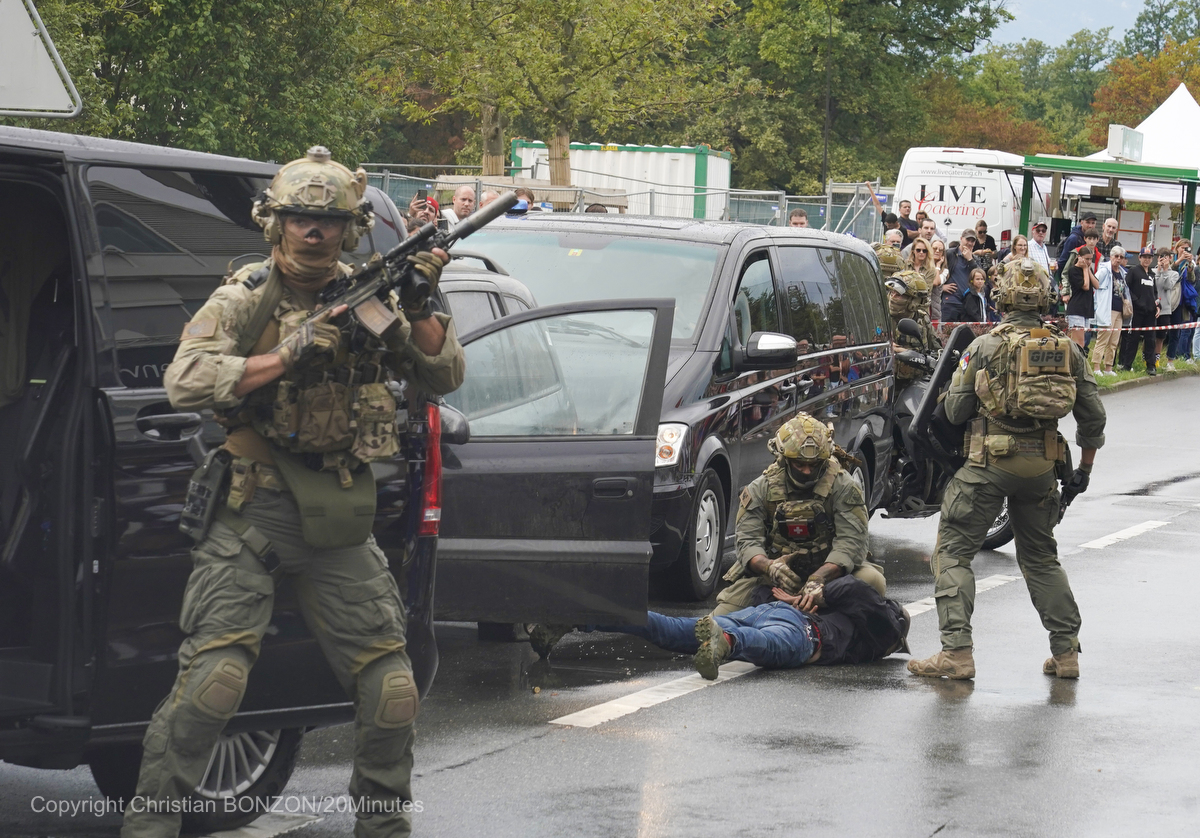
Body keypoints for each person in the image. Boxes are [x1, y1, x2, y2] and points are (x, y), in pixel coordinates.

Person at [121, 147, 466, 838]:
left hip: (338, 512)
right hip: (253, 508)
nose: (314, 232)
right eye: (301, 219)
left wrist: (422, 298)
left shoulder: (368, 295)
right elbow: (183, 380)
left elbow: (443, 373)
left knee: (391, 688)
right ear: (273, 224)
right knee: (214, 684)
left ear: (352, 227)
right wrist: (284, 355)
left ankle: (383, 827)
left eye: (329, 221)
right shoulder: (248, 294)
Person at [908, 257, 1106, 681]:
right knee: (1041, 559)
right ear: (1045, 298)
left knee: (953, 553)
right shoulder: (1067, 348)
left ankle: (957, 654)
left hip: (987, 465)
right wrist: (1083, 472)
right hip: (1041, 469)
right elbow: (1093, 417)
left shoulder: (984, 346)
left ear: (1002, 296)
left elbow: (957, 411)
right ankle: (1066, 654)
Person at [714, 414, 886, 616]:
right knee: (719, 620)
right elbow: (747, 541)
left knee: (873, 582)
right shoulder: (761, 488)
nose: (806, 471)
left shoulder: (843, 486)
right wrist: (769, 567)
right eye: (799, 464)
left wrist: (819, 577)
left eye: (814, 466)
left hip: (831, 576)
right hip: (774, 578)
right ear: (784, 459)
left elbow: (851, 542)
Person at [584, 575, 910, 679]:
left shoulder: (854, 620)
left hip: (767, 610)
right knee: (761, 644)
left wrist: (817, 596)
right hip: (804, 632)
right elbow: (856, 587)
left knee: (672, 630)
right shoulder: (886, 630)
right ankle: (726, 640)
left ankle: (584, 614)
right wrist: (821, 594)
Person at [887, 271, 941, 383]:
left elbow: (937, 350)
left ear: (915, 300)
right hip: (889, 386)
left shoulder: (922, 319)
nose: (892, 297)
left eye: (898, 294)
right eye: (891, 292)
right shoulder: (881, 319)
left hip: (916, 385)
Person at [1119, 246, 1160, 374]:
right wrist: (1136, 302)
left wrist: (1158, 306)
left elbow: (1155, 293)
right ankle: (1126, 365)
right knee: (1133, 338)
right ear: (1140, 257)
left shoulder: (1152, 274)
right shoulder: (1134, 271)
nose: (1147, 260)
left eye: (1149, 257)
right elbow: (1126, 288)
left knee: (1150, 339)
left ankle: (1151, 365)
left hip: (1150, 312)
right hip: (1136, 311)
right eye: (1144, 257)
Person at [1091, 246, 1128, 376]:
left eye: (1121, 257)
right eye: (1116, 256)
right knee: (1103, 339)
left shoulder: (1123, 273)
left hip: (1120, 311)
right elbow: (1094, 283)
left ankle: (1108, 368)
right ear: (1111, 256)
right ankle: (1096, 367)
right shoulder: (1104, 270)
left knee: (1114, 342)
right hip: (1107, 309)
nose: (1118, 259)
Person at [941, 229, 981, 322]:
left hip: (968, 304)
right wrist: (941, 287)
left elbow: (980, 277)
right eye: (968, 240)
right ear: (961, 239)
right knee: (946, 333)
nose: (970, 243)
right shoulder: (950, 254)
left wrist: (970, 260)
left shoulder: (975, 259)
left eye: (972, 241)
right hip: (951, 301)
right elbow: (936, 271)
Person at [1154, 247, 1182, 371]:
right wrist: (1159, 270)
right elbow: (1154, 285)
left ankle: (1156, 360)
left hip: (1165, 309)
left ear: (1170, 258)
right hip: (1152, 308)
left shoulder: (1174, 274)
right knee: (1149, 336)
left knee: (1160, 337)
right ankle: (1146, 359)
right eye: (1161, 256)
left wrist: (1165, 270)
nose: (1164, 259)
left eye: (1166, 257)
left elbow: (1167, 286)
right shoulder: (1153, 271)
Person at [1171, 239, 1197, 360]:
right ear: (1177, 248)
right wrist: (1180, 260)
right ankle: (1173, 355)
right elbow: (1170, 273)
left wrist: (1190, 264)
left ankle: (1181, 355)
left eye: (1187, 248)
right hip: (1173, 298)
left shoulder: (1189, 263)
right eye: (1182, 248)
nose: (1184, 250)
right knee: (1172, 329)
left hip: (1185, 299)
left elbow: (1192, 280)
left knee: (1185, 328)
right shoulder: (1171, 258)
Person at [1055, 211, 1098, 279]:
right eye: (1088, 222)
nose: (1090, 226)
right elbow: (1063, 261)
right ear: (1081, 223)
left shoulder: (1094, 239)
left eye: (1093, 223)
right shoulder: (1074, 239)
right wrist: (1062, 280)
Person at [929, 238, 948, 321]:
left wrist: (938, 266)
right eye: (935, 248)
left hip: (934, 312)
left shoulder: (945, 271)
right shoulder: (923, 267)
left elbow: (936, 282)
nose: (937, 251)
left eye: (940, 250)